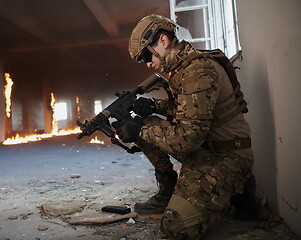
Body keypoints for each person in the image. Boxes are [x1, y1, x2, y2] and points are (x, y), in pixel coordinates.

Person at [114, 14, 257, 239]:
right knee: (146, 122)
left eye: (146, 55)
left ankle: (234, 193)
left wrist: (139, 131)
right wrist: (153, 106)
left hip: (228, 155)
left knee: (174, 228)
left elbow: (188, 139)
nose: (148, 63)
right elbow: (188, 107)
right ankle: (169, 190)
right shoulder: (184, 68)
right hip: (209, 148)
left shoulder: (199, 71)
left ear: (162, 41)